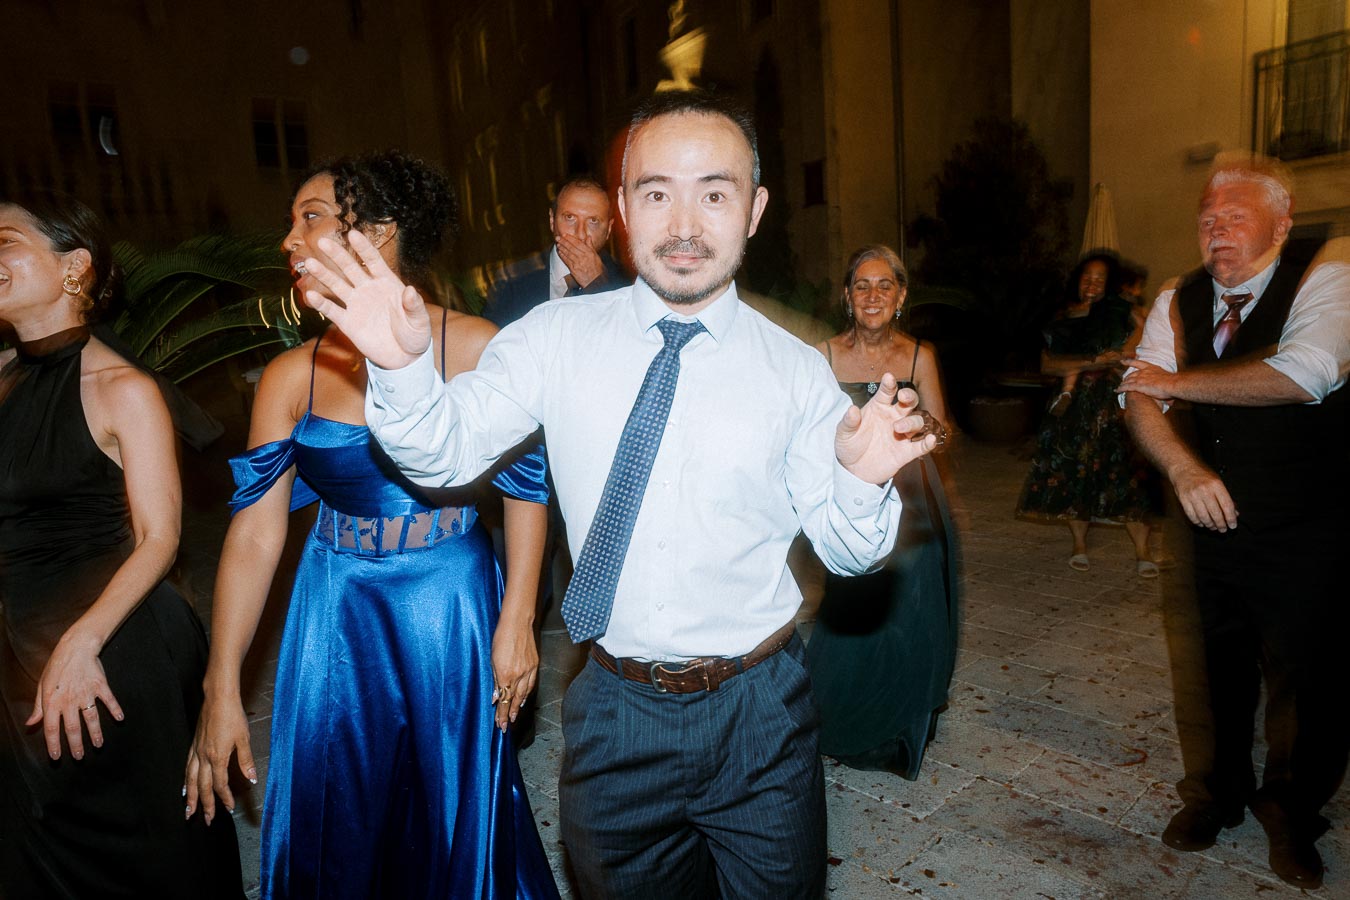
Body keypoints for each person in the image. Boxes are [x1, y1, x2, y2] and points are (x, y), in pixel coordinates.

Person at [301, 90, 938, 899]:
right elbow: (442, 451)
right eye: (655, 192)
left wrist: (860, 476)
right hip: (614, 710)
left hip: (762, 713)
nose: (683, 223)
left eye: (714, 192)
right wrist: (399, 368)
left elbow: (850, 551)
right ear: (624, 210)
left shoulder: (795, 373)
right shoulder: (553, 340)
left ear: (754, 209)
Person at [182, 152, 559, 899]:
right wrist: (219, 685)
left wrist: (517, 617)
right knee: (336, 802)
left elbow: (526, 487)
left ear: (379, 232)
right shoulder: (294, 375)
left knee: (456, 798)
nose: (288, 239)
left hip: (448, 600)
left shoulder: (479, 344)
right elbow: (256, 537)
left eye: (311, 217)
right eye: (291, 222)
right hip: (336, 606)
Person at [0, 191, 243, 898]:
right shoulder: (6, 381)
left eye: (6, 242)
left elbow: (162, 538)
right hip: (17, 658)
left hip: (113, 652)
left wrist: (81, 644)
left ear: (73, 266)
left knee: (152, 862)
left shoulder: (120, 387)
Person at [1120, 156, 1350, 890]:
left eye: (1235, 214)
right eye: (1206, 216)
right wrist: (1184, 468)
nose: (1215, 227)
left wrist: (1173, 384)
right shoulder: (1178, 296)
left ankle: (1293, 813)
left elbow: (1307, 371)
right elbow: (1136, 394)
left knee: (1310, 676)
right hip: (1205, 517)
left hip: (1307, 520)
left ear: (1280, 225)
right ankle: (1217, 797)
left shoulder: (1327, 276)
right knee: (1213, 668)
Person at [805, 244, 959, 778]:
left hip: (913, 497)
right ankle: (841, 718)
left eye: (884, 286)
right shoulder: (821, 354)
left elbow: (943, 431)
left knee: (908, 614)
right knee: (848, 603)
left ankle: (896, 729)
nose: (873, 296)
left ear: (901, 296)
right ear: (847, 297)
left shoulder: (921, 357)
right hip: (848, 492)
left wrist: (920, 427)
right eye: (862, 286)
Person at [1015, 251, 1159, 576]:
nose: (1092, 283)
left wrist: (1116, 355)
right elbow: (1048, 364)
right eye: (1087, 277)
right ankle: (1079, 543)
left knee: (1128, 473)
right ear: (1078, 281)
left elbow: (1141, 342)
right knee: (1075, 472)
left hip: (1115, 400)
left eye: (1100, 279)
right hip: (1074, 404)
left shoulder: (1121, 313)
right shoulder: (1063, 317)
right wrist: (1095, 361)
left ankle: (1143, 550)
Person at [481, 175, 628, 327]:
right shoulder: (511, 281)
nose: (580, 233)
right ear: (552, 221)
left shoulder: (627, 283)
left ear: (609, 229)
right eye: (570, 217)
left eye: (593, 221)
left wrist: (598, 286)